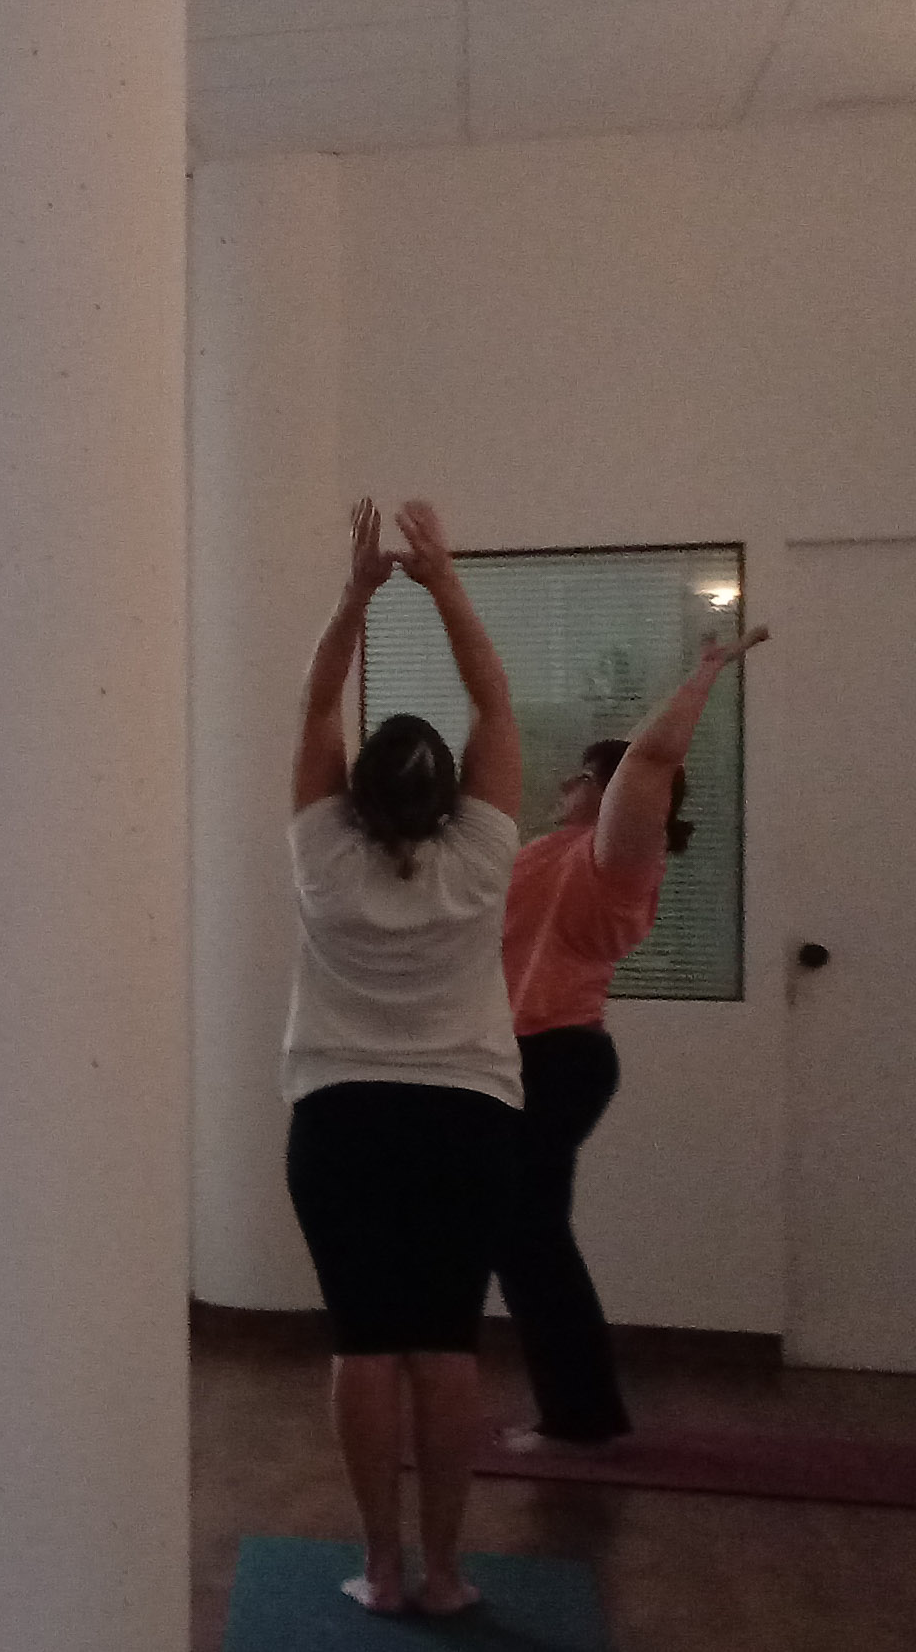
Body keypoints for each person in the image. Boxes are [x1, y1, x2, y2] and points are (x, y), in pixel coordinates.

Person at [281, 498, 527, 1620]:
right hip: (466, 1122)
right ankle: (442, 1571)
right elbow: (493, 701)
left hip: (339, 1119)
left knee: (365, 1344)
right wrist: (440, 578)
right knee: (444, 1345)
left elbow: (314, 701)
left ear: (357, 794)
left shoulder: (321, 851)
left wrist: (355, 593)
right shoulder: (481, 852)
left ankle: (378, 1568)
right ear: (447, 797)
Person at [495, 625, 768, 1453]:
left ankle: (579, 1417)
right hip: (516, 1057)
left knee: (529, 1237)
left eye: (584, 774)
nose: (567, 782)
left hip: (558, 1057)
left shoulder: (614, 863)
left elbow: (649, 766)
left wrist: (707, 670)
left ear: (606, 793)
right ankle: (579, 1414)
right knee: (527, 1237)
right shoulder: (542, 851)